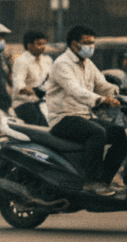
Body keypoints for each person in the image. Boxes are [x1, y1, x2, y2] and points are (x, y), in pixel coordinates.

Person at [46, 25, 126, 193]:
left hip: (83, 117)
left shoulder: (87, 63)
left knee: (121, 135)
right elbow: (75, 90)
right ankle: (91, 181)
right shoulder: (62, 64)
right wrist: (101, 100)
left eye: (92, 43)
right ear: (74, 44)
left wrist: (119, 92)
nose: (91, 46)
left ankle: (104, 181)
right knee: (97, 133)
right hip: (63, 118)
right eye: (86, 43)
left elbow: (102, 85)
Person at [10, 30, 51, 127]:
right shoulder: (22, 61)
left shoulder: (47, 60)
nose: (43, 47)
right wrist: (34, 91)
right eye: (39, 44)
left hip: (41, 102)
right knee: (40, 127)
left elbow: (51, 81)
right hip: (24, 103)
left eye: (44, 44)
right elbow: (19, 85)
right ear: (29, 45)